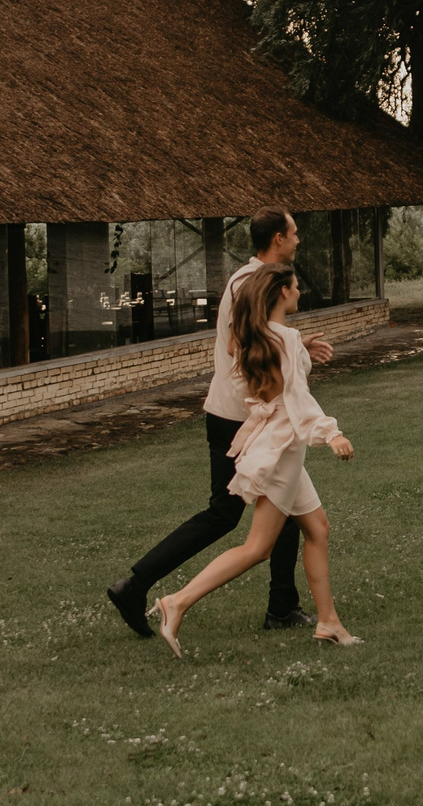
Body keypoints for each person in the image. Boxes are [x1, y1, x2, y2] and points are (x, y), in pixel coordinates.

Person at [107, 209, 333, 635]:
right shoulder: (249, 281)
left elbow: (258, 335)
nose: (299, 240)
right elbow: (241, 345)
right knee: (224, 515)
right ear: (279, 239)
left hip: (250, 418)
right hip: (239, 419)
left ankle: (282, 607)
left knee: (283, 509)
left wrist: (297, 341)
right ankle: (136, 585)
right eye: (296, 234)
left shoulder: (254, 279)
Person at [156, 260, 360, 654]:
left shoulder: (265, 334)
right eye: (296, 285)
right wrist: (331, 433)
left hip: (279, 441)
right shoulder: (283, 336)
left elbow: (282, 387)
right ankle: (175, 603)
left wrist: (301, 350)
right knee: (258, 547)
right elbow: (297, 398)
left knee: (317, 528)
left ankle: (329, 623)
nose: (300, 291)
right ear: (283, 292)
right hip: (283, 447)